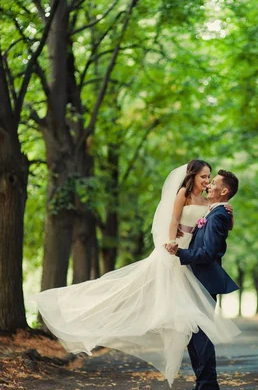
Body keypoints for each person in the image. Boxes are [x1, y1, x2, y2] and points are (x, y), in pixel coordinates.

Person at [31, 160, 240, 388]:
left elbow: (214, 227)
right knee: (143, 298)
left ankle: (206, 382)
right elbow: (173, 221)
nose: (207, 182)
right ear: (192, 176)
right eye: (204, 176)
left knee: (191, 326)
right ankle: (83, 310)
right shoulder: (185, 194)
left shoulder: (213, 206)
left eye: (210, 178)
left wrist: (227, 212)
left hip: (192, 260)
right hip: (181, 257)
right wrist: (172, 246)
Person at [165, 169, 239, 390]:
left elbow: (208, 254)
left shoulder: (218, 216)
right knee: (194, 334)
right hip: (196, 279)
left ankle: (208, 384)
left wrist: (179, 254)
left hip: (204, 280)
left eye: (213, 182)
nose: (208, 185)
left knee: (200, 334)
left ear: (223, 191)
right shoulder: (213, 212)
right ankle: (204, 383)